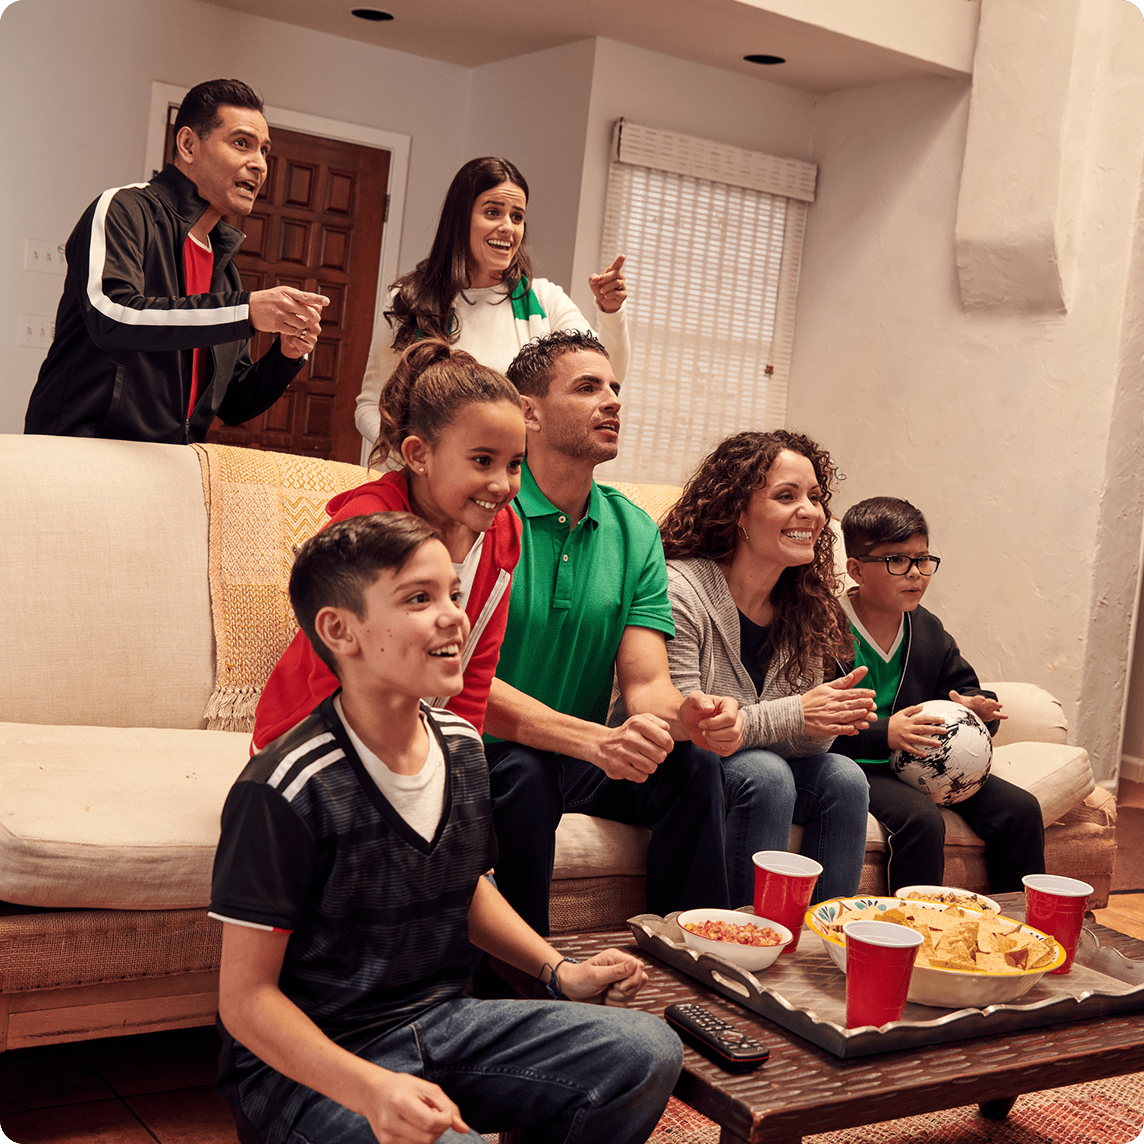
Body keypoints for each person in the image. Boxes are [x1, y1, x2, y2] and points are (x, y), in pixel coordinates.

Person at [211, 512, 682, 1144]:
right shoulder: (285, 787)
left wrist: (557, 971)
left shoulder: (461, 745)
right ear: (339, 631)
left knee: (646, 1051)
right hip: (309, 1075)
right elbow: (245, 1002)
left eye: (453, 593)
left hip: (435, 1025)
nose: (454, 616)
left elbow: (466, 887)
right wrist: (371, 1089)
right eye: (418, 598)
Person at [484, 329, 744, 936]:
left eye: (615, 388)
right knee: (526, 775)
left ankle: (692, 953)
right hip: (483, 750)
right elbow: (462, 687)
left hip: (574, 755)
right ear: (530, 413)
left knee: (691, 768)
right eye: (588, 387)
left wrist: (693, 717)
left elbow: (646, 684)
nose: (613, 401)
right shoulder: (487, 509)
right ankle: (522, 980)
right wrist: (594, 743)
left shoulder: (632, 529)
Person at [24, 78, 329, 444]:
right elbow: (112, 316)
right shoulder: (124, 209)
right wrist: (245, 311)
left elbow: (232, 403)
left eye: (264, 151)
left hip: (166, 465)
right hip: (80, 450)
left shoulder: (226, 273)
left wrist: (286, 355)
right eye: (241, 143)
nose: (259, 164)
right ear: (187, 144)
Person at [253, 340, 524, 749]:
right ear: (418, 454)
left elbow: (474, 672)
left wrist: (457, 762)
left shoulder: (503, 530)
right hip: (310, 738)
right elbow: (332, 665)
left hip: (409, 738)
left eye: (515, 464)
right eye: (482, 461)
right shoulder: (368, 522)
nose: (503, 484)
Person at [658, 430, 874, 907]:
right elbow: (690, 723)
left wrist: (826, 718)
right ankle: (739, 937)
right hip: (678, 769)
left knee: (843, 776)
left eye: (815, 497)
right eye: (786, 496)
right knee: (766, 773)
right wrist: (797, 713)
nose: (811, 512)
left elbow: (803, 739)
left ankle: (823, 943)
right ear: (737, 512)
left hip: (753, 759)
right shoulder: (681, 590)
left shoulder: (805, 603)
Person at [838, 496, 1046, 894]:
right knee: (920, 819)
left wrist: (975, 708)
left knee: (1020, 810)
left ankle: (1017, 932)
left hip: (928, 760)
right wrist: (884, 733)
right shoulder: (824, 627)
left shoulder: (926, 628)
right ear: (856, 569)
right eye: (897, 561)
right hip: (858, 760)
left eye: (923, 560)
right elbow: (813, 726)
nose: (916, 574)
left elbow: (963, 687)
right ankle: (912, 935)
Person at [355, 156, 628, 458]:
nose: (507, 228)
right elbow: (371, 406)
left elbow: (607, 374)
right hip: (422, 484)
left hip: (508, 487)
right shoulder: (408, 299)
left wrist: (611, 313)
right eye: (492, 212)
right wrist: (420, 459)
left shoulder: (544, 300)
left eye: (517, 217)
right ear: (461, 218)